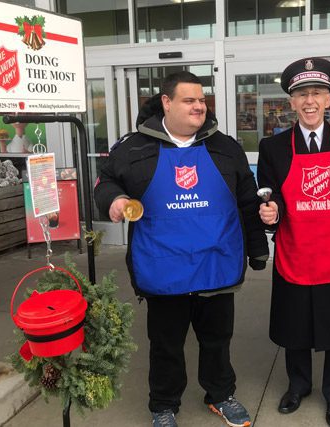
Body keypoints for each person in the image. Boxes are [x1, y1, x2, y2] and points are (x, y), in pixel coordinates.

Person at [94, 71, 269, 427]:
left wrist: (258, 251)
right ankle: (163, 404)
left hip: (216, 264)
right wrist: (114, 199)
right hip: (163, 268)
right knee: (166, 345)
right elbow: (106, 180)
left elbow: (249, 202)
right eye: (189, 100)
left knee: (217, 339)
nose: (198, 107)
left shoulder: (226, 147)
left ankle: (220, 394)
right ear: (167, 102)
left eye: (201, 100)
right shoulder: (134, 147)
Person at [257, 57, 330, 427]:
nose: (310, 101)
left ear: (329, 99)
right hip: (296, 252)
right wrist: (269, 215)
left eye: (317, 93)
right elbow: (269, 197)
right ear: (291, 103)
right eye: (302, 95)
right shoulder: (273, 147)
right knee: (296, 327)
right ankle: (298, 386)